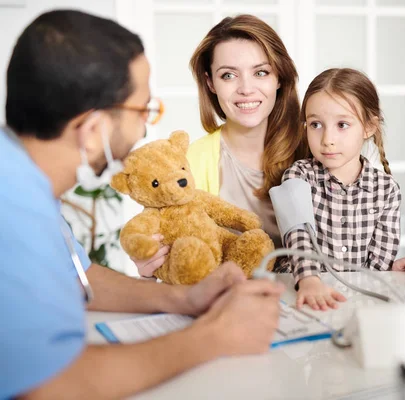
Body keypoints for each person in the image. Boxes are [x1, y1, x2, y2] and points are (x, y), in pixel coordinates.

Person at [0, 10, 283, 399]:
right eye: (142, 111)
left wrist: (181, 298)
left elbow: (78, 277)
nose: (144, 130)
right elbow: (49, 388)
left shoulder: (21, 180)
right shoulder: (10, 210)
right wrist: (213, 337)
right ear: (93, 129)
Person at [132, 15, 405, 278]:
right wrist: (149, 268)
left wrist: (381, 267)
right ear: (210, 83)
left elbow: (344, 233)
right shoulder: (189, 162)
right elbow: (178, 263)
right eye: (228, 75)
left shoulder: (317, 144)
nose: (246, 88)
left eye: (260, 72)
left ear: (279, 77)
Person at [278, 68, 405, 311]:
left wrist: (391, 270)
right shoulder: (298, 176)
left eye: (342, 124)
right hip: (299, 293)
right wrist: (309, 280)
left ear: (369, 127)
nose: (327, 139)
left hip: (353, 302)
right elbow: (298, 236)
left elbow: (377, 266)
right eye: (316, 124)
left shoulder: (387, 191)